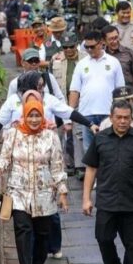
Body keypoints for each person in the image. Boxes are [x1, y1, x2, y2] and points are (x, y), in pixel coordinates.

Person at [0, 100, 68, 264]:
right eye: (30, 115)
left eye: (37, 115)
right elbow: (4, 157)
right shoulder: (13, 134)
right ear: (24, 116)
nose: (33, 119)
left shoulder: (50, 137)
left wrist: (62, 192)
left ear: (42, 116)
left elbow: (57, 166)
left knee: (42, 232)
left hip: (44, 192)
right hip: (18, 191)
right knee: (22, 229)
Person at [82, 100, 133, 264]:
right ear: (111, 118)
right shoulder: (101, 139)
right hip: (107, 200)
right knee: (103, 238)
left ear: (131, 119)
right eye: (118, 117)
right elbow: (91, 168)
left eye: (126, 118)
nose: (122, 121)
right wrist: (86, 198)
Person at [68, 30, 125, 153]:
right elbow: (74, 90)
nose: (89, 50)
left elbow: (120, 90)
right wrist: (69, 114)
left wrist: (120, 112)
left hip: (108, 113)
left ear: (101, 44)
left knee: (110, 150)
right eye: (86, 47)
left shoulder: (114, 62)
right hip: (86, 115)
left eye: (92, 46)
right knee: (89, 152)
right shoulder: (81, 64)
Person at [51, 34, 88, 174]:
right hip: (62, 101)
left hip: (81, 100)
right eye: (65, 47)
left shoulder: (86, 58)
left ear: (76, 45)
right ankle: (67, 163)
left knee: (78, 133)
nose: (68, 50)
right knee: (63, 132)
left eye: (71, 47)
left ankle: (79, 165)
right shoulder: (56, 59)